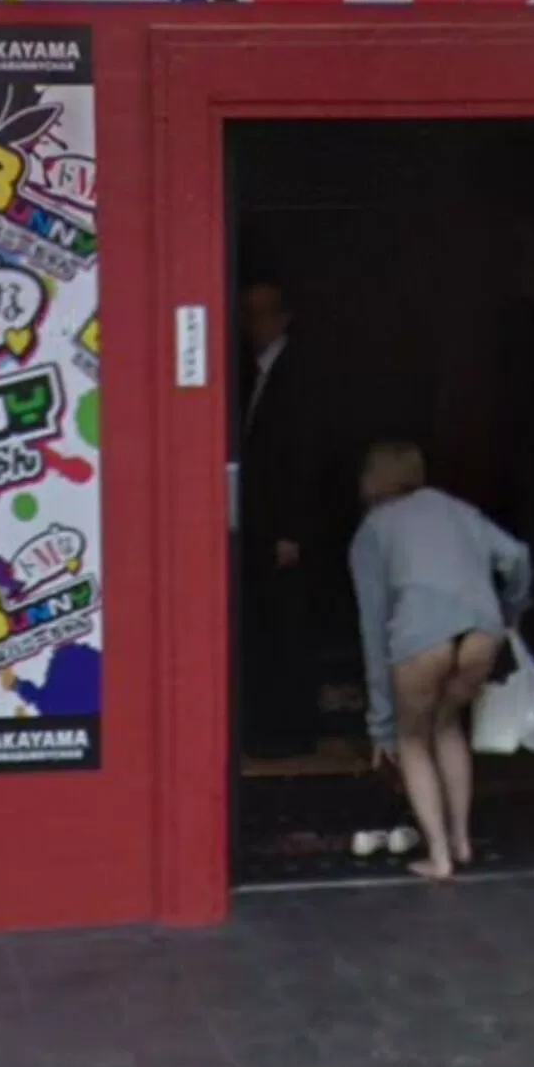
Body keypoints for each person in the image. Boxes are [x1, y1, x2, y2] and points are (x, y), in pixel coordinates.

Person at [348, 440, 532, 880]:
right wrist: (510, 611)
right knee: (448, 727)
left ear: (374, 478)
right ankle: (462, 840)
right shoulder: (459, 510)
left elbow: (374, 628)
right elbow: (517, 556)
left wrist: (380, 725)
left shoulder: (373, 529)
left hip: (420, 632)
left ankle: (439, 856)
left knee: (412, 740)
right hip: (481, 628)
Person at [237, 281, 311, 756]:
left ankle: (288, 734)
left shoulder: (297, 376)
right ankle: (269, 730)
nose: (250, 325)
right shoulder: (255, 373)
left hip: (282, 528)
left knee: (285, 628)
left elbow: (302, 455)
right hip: (261, 524)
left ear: (283, 319)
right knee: (266, 624)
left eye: (260, 314)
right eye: (246, 314)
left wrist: (292, 529)